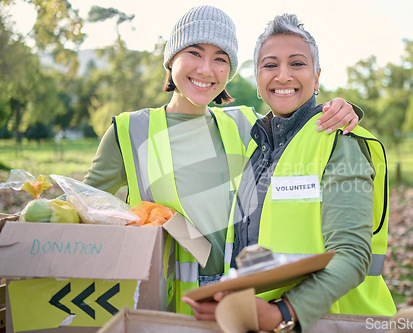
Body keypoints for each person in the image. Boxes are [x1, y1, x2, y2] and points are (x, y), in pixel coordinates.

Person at [80, 6, 361, 315]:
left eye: (220, 59)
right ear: (172, 58)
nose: (206, 69)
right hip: (162, 304)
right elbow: (84, 211)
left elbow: (295, 120)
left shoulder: (246, 126)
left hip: (234, 303)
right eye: (194, 53)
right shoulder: (128, 132)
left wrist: (344, 109)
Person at [182, 13, 397, 332]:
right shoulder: (256, 146)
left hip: (329, 321)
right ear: (257, 79)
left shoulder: (340, 143)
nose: (282, 76)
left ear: (317, 76)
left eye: (297, 64)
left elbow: (351, 256)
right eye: (270, 65)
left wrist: (283, 311)